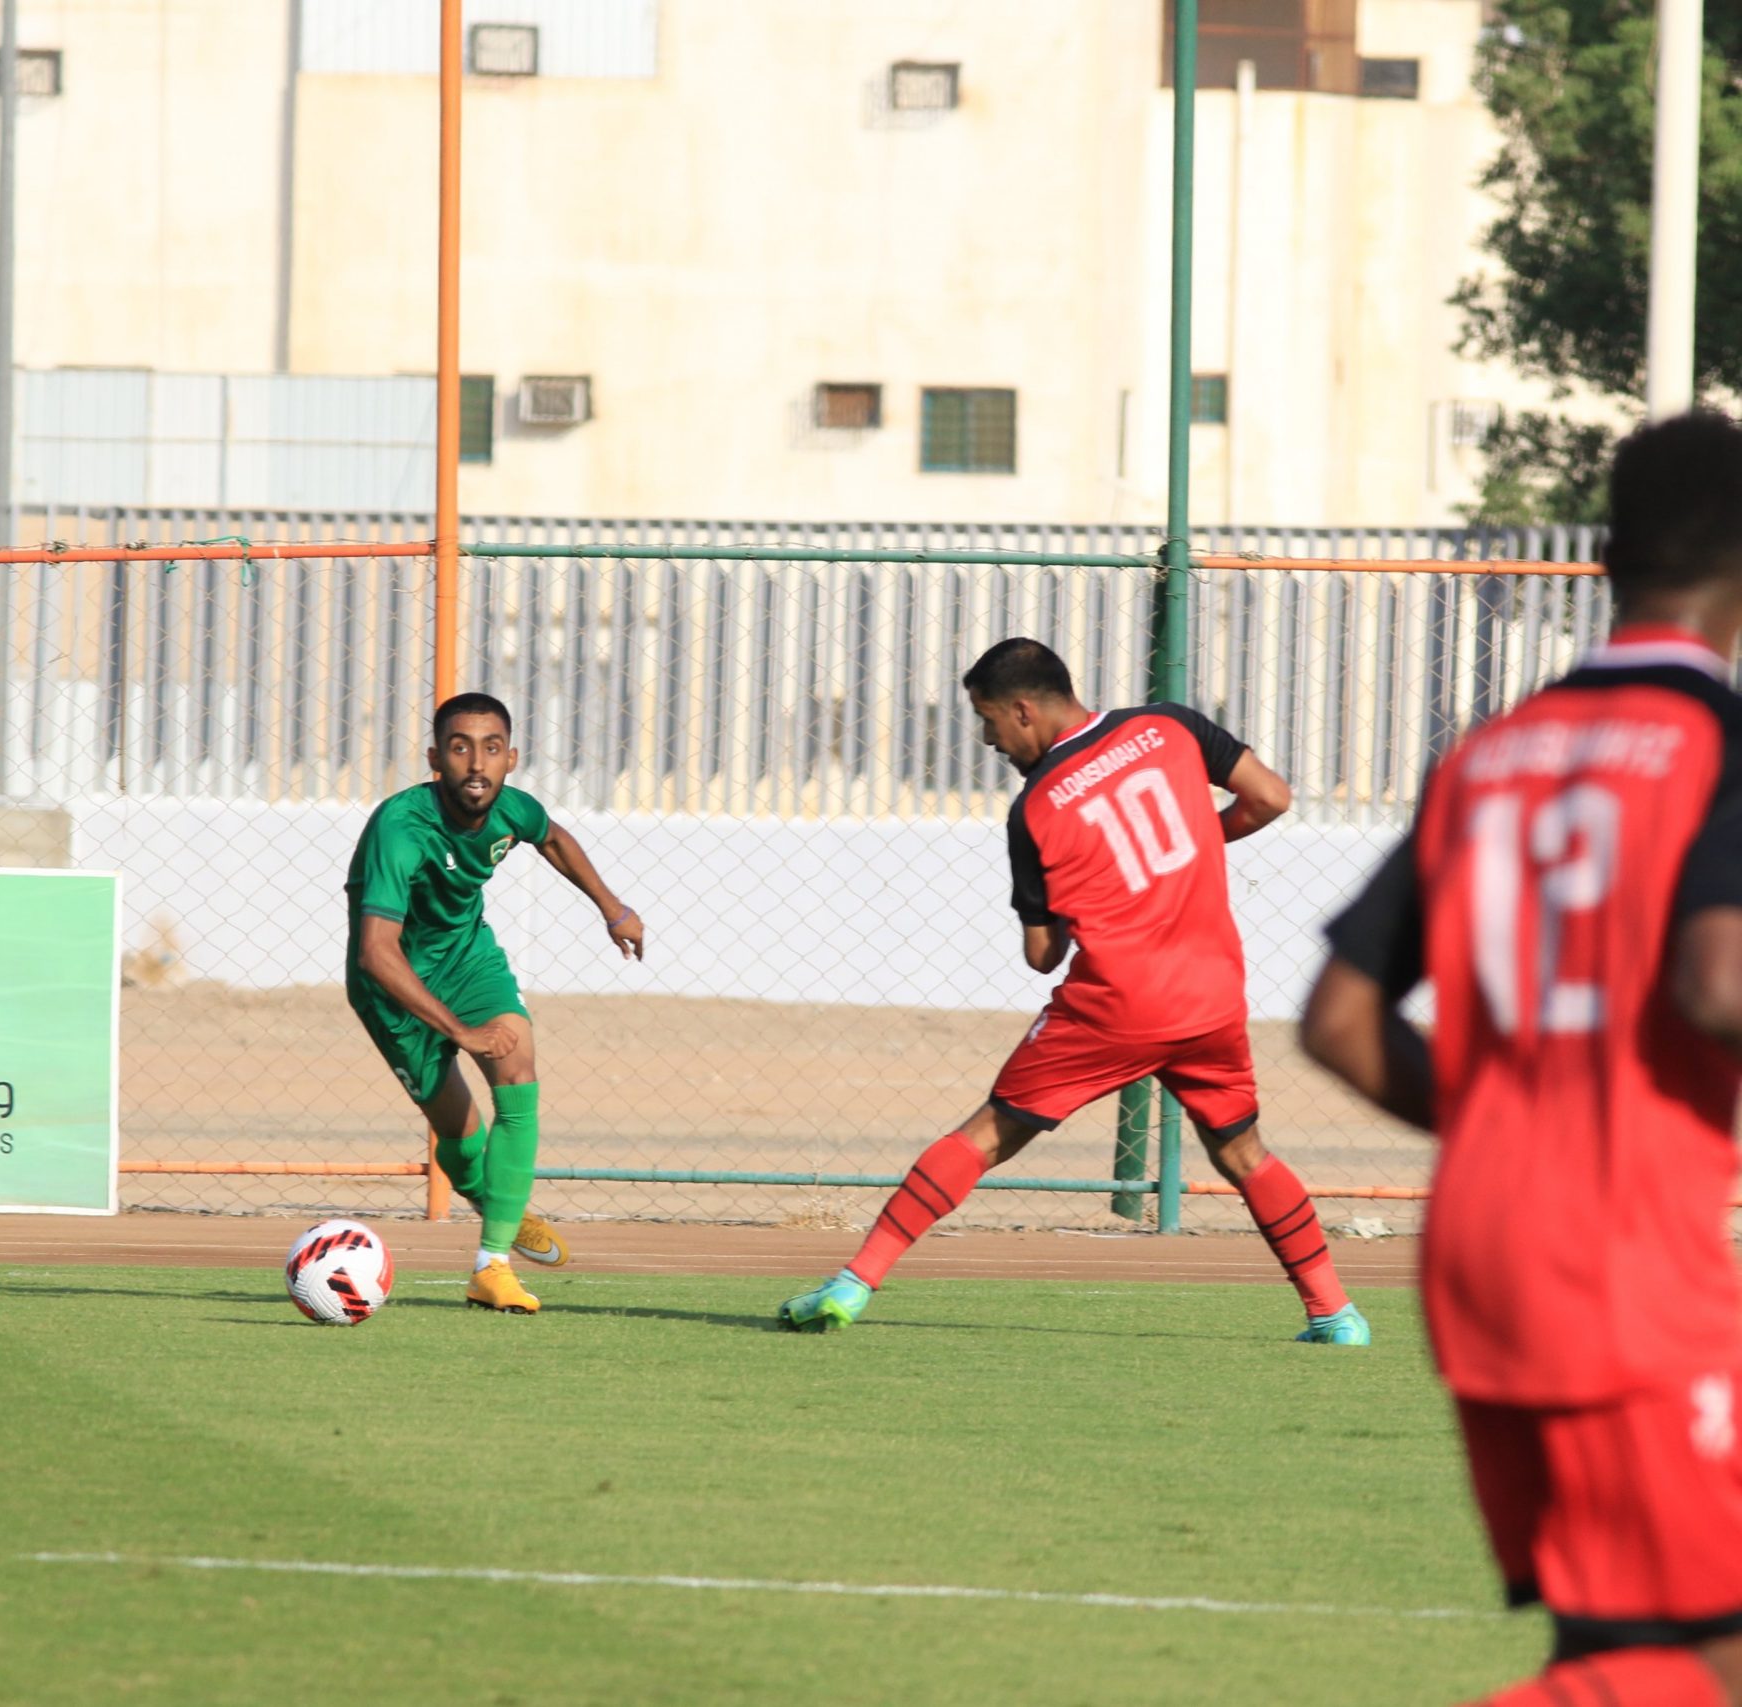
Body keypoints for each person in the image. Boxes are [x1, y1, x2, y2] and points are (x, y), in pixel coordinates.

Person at [1302, 410, 1742, 1707]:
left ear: (1606, 556)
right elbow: (1719, 980)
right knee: (1711, 1661)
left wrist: (1511, 1112)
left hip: (1480, 1244)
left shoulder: (1490, 752)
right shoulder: (1718, 743)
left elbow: (1335, 1018)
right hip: (1623, 1258)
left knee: (1608, 1646)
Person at [778, 638, 1366, 1343]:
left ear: (1023, 710)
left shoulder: (1035, 808)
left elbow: (1043, 953)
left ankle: (852, 1281)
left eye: (988, 719)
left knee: (987, 1134)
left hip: (1117, 1003)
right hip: (1212, 995)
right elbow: (1271, 796)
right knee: (1244, 1154)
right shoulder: (1169, 725)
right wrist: (1196, 843)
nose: (989, 739)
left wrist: (1071, 900)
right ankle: (1336, 1313)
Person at [346, 691, 645, 1314]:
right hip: (393, 991)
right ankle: (493, 1194)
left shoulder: (513, 809)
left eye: (489, 749)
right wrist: (458, 1031)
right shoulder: (400, 828)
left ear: (511, 758)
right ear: (436, 758)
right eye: (459, 748)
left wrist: (612, 909)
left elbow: (554, 839)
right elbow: (377, 952)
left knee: (517, 1069)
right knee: (457, 1135)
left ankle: (493, 1263)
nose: (475, 764)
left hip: (467, 962)